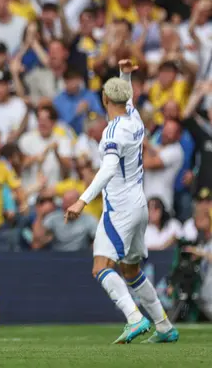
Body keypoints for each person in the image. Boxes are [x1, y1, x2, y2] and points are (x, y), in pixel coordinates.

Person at [65, 59, 179, 344]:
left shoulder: (112, 132)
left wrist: (82, 200)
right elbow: (125, 97)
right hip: (139, 204)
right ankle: (164, 327)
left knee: (101, 267)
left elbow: (108, 168)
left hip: (119, 208)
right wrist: (125, 73)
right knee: (130, 270)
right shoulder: (135, 119)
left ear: (104, 99)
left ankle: (134, 318)